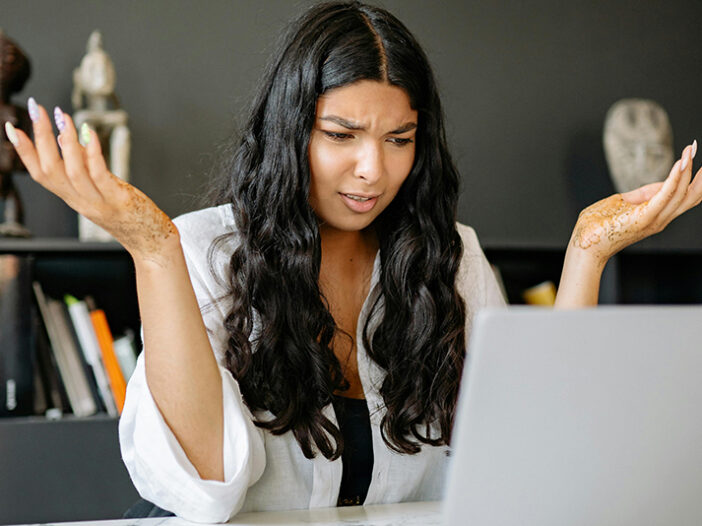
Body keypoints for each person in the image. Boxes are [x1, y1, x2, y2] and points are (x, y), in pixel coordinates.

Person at [4, 1, 701, 522]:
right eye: (341, 134)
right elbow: (207, 489)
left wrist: (586, 252)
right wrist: (153, 250)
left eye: (399, 138)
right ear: (291, 128)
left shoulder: (451, 260)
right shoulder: (206, 250)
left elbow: (534, 468)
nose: (373, 169)